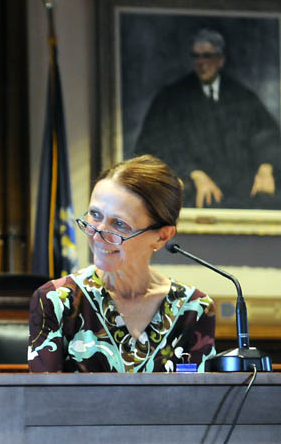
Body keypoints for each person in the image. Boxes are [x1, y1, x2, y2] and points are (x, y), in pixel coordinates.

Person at [28, 155, 216, 373]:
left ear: (162, 236)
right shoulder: (55, 300)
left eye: (119, 224)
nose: (98, 234)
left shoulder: (194, 308)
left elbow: (199, 400)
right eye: (95, 215)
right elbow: (42, 402)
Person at [133, 28, 281, 209]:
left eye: (208, 56)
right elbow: (154, 144)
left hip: (242, 191)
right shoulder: (172, 98)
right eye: (197, 56)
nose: (202, 63)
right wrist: (193, 173)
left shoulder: (242, 96)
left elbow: (267, 135)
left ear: (220, 60)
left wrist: (266, 167)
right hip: (194, 191)